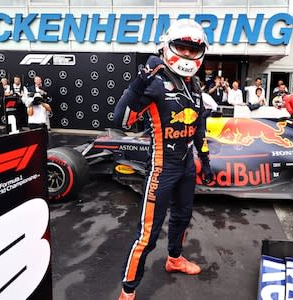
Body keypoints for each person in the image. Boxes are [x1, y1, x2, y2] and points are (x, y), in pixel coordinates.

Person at [113, 19, 214, 300]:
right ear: (167, 47)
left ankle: (174, 259)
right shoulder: (155, 81)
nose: (188, 56)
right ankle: (128, 290)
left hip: (185, 166)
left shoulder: (193, 85)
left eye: (194, 51)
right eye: (182, 48)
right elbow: (120, 121)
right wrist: (138, 83)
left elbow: (199, 127)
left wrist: (204, 160)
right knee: (148, 235)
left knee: (182, 217)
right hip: (161, 167)